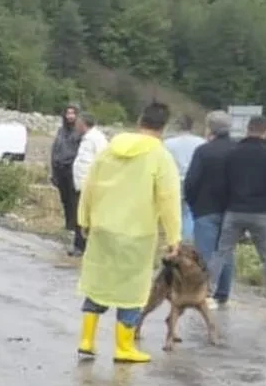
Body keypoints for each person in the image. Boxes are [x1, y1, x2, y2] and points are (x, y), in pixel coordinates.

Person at [75, 102, 182, 364]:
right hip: (137, 233)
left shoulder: (109, 149)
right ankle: (124, 347)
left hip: (103, 228)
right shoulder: (160, 156)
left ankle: (86, 341)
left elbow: (90, 185)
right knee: (132, 291)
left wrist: (84, 219)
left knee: (98, 284)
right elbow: (168, 198)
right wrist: (173, 237)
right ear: (164, 127)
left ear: (139, 120)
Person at [203, 115, 266, 313]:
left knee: (221, 252)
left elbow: (223, 182)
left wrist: (228, 203)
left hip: (234, 210)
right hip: (261, 211)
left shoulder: (233, 152)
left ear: (247, 129)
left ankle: (207, 294)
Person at [183, 111, 236, 309]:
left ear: (209, 128)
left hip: (206, 207)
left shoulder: (203, 151)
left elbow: (191, 181)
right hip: (232, 209)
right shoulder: (238, 150)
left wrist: (192, 203)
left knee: (205, 253)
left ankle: (206, 292)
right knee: (226, 251)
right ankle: (223, 292)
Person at [70, 112, 108, 256]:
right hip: (81, 184)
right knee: (79, 215)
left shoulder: (96, 139)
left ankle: (83, 246)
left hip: (89, 186)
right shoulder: (86, 138)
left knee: (84, 216)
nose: (75, 126)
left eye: (77, 123)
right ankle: (79, 245)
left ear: (83, 124)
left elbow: (103, 160)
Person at [164, 114, 204, 241]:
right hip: (194, 179)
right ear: (192, 126)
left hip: (174, 180)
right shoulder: (201, 142)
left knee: (174, 211)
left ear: (177, 126)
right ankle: (187, 239)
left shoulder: (168, 143)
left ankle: (174, 238)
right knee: (189, 211)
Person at [50, 104, 83, 253]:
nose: (70, 116)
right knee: (64, 199)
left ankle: (75, 227)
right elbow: (55, 150)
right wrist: (54, 171)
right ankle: (68, 224)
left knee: (73, 200)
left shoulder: (79, 133)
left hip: (72, 169)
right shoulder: (61, 131)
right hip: (59, 168)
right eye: (68, 113)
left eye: (73, 113)